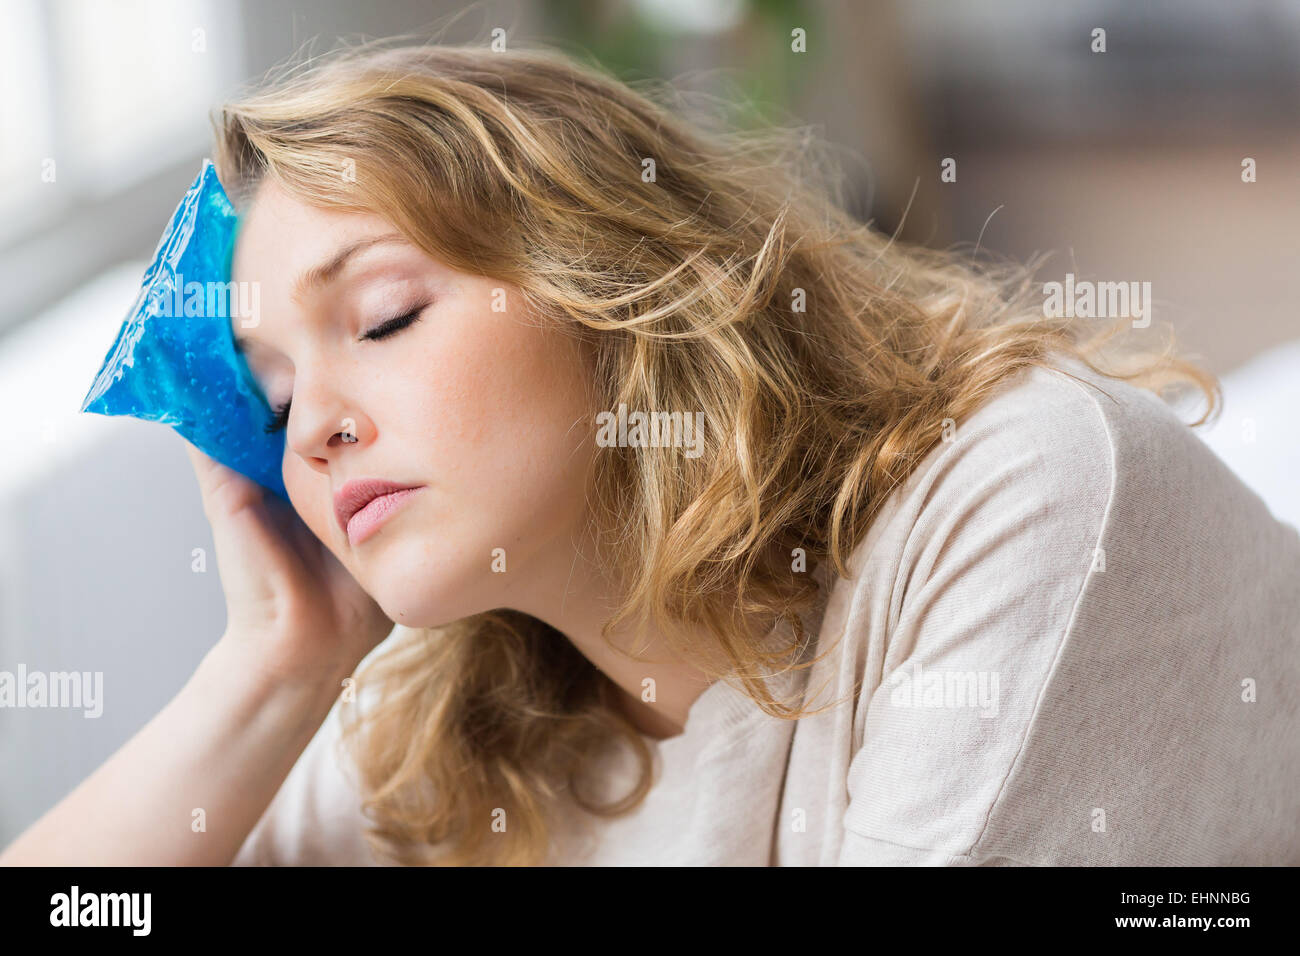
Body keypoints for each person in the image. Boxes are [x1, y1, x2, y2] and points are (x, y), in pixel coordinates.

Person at [3, 39, 1296, 867]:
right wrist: (269, 671)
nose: (319, 428)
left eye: (384, 315)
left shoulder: (1026, 500)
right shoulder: (448, 714)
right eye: (278, 404)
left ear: (615, 285)